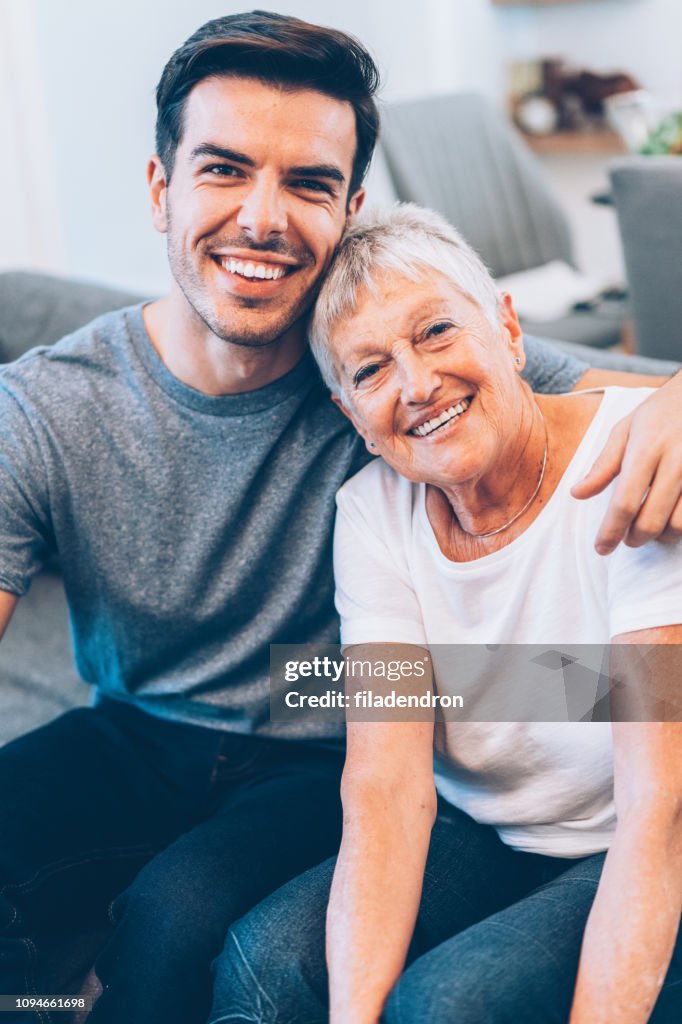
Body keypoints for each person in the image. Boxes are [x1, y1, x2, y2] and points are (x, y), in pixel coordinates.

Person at [0, 11, 680, 1024]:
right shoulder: (50, 406)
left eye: (308, 182)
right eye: (224, 169)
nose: (264, 219)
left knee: (181, 920)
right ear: (161, 188)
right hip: (145, 720)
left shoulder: (412, 365)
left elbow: (609, 402)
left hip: (318, 720)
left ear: (350, 205)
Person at [209, 205, 682, 1024]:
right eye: (371, 370)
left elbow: (659, 812)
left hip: (639, 838)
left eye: (435, 332)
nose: (417, 384)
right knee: (267, 967)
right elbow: (387, 788)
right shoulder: (370, 514)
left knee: (445, 1006)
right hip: (489, 829)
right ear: (349, 411)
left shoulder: (628, 466)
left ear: (506, 326)